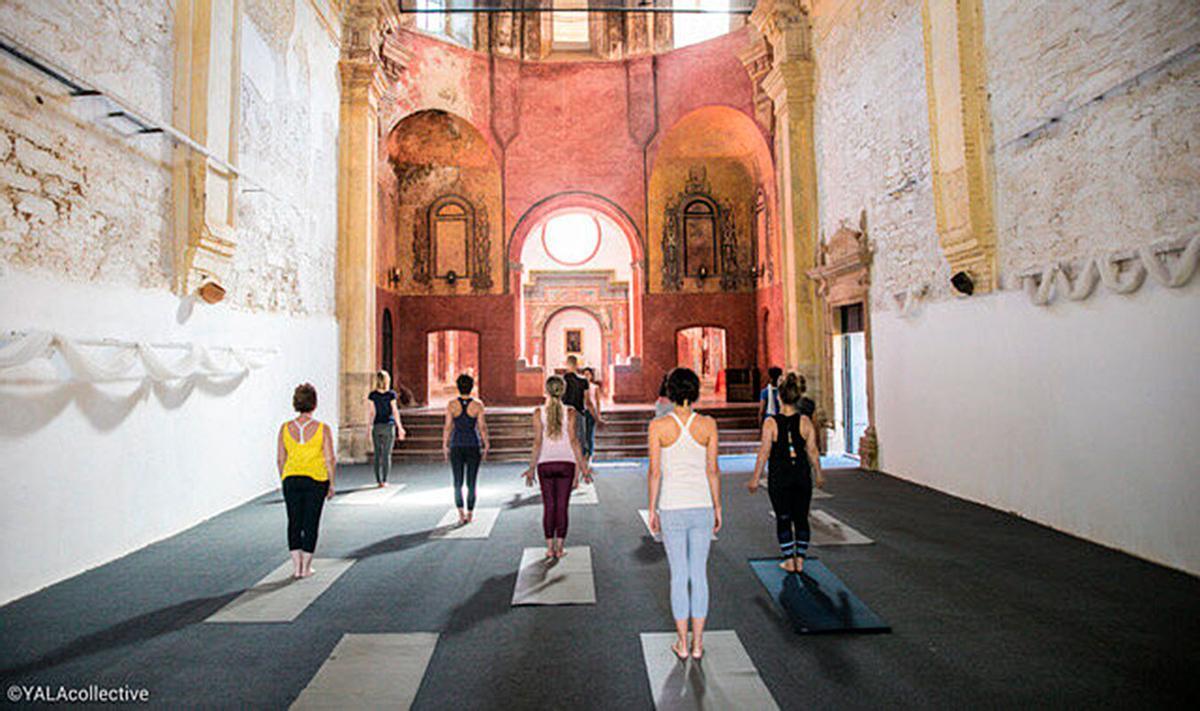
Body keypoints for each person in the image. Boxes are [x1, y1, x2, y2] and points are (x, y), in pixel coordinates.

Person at [647, 367, 721, 661]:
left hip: (672, 506)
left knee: (678, 575)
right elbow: (712, 470)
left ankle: (682, 643)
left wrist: (651, 508)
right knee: (698, 574)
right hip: (701, 504)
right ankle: (698, 644)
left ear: (671, 391)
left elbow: (654, 472)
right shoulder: (708, 425)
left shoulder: (658, 426)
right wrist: (718, 506)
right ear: (694, 391)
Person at [747, 372, 825, 573]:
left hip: (779, 476)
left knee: (783, 517)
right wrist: (818, 473)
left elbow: (764, 452)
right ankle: (800, 559)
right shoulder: (806, 422)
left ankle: (789, 558)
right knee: (801, 517)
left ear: (779, 397)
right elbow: (813, 451)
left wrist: (755, 478)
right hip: (800, 473)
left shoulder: (771, 423)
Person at [523, 376, 591, 559]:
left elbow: (537, 442)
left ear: (546, 390)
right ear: (563, 391)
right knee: (562, 506)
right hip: (566, 464)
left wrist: (531, 468)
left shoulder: (538, 412)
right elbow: (575, 442)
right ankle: (560, 548)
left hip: (545, 463)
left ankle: (549, 547)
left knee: (549, 506)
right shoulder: (570, 412)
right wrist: (584, 470)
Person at [277, 383, 336, 579]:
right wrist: (332, 483)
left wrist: (284, 478)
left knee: (294, 522)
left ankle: (295, 567)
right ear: (314, 403)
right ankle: (306, 567)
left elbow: (280, 458)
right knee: (311, 522)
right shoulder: (322, 429)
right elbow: (329, 458)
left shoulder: (285, 428)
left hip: (291, 479)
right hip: (316, 479)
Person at [442, 373, 489, 524]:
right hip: (472, 444)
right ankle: (470, 513)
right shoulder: (478, 405)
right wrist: (486, 443)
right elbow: (482, 426)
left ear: (458, 387)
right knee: (471, 482)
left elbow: (448, 427)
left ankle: (460, 513)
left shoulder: (451, 405)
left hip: (457, 444)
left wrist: (445, 444)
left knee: (457, 481)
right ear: (472, 387)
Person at [367, 370, 406, 487]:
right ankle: (385, 480)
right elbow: (395, 411)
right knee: (386, 454)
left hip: (377, 426)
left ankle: (378, 480)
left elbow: (372, 413)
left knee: (377, 454)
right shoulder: (391, 395)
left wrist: (369, 427)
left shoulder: (372, 395)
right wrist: (400, 427)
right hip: (389, 426)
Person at [562, 356, 598, 469]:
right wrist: (596, 417)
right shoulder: (583, 381)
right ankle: (578, 473)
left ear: (566, 364)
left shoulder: (561, 380)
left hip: (565, 415)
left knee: (566, 442)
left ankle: (566, 468)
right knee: (579, 443)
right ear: (577, 365)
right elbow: (588, 402)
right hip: (578, 414)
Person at [581, 366, 603, 460]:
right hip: (582, 411)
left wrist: (598, 414)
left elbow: (597, 402)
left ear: (591, 376)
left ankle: (590, 453)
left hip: (592, 412)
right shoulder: (580, 386)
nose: (586, 376)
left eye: (588, 374)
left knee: (589, 433)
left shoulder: (595, 387)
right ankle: (583, 453)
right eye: (584, 374)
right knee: (582, 434)